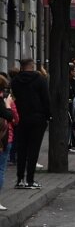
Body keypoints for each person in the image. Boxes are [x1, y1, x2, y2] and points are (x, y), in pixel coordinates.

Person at [11, 58, 50, 189]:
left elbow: (13, 98)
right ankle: (30, 179)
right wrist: (48, 115)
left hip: (21, 118)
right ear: (32, 65)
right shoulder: (40, 80)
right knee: (34, 149)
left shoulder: (15, 81)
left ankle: (20, 179)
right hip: (37, 117)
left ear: (21, 66)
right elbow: (46, 98)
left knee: (22, 149)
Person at [0, 73, 19, 210]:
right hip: (3, 139)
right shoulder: (3, 101)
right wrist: (7, 104)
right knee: (0, 169)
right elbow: (11, 117)